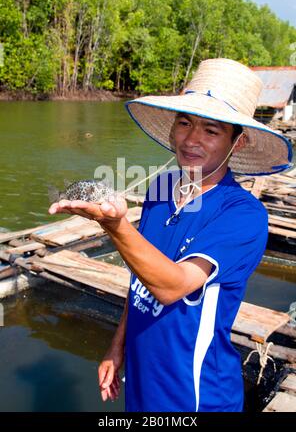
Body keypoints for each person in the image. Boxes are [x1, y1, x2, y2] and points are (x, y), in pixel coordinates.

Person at [49, 58, 292, 412]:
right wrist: (118, 348)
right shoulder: (162, 188)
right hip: (142, 382)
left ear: (236, 144)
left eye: (211, 131)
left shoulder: (243, 215)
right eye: (184, 123)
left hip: (194, 394)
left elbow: (170, 286)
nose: (191, 139)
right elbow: (142, 281)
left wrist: (116, 226)